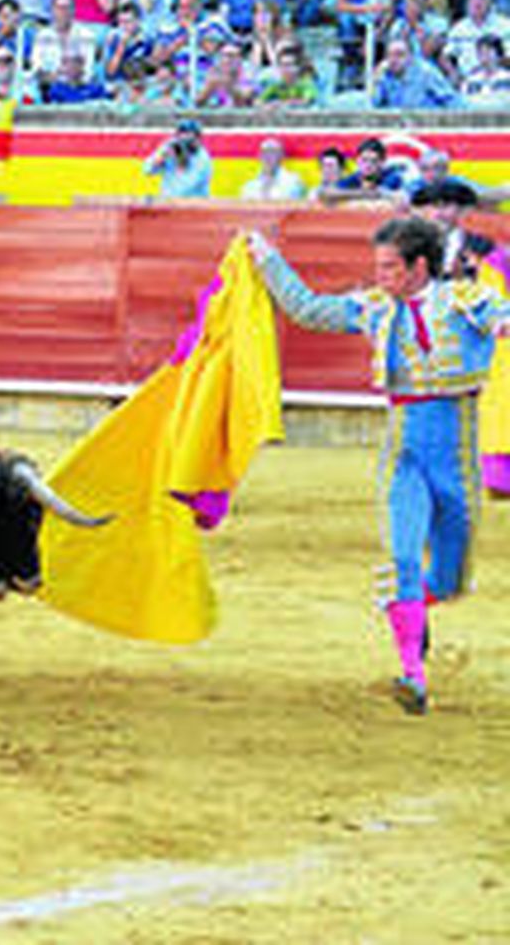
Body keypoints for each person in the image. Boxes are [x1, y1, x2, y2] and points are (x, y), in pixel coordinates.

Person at [248, 219, 510, 715]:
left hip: (457, 457)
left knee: (451, 579)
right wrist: (267, 260)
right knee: (404, 560)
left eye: (390, 266)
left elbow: (503, 314)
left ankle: (412, 610)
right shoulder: (375, 308)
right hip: (403, 455)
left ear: (420, 266)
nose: (380, 275)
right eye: (379, 266)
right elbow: (308, 309)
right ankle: (413, 674)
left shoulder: (465, 300)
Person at [142, 119, 212, 198]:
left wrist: (181, 160)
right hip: (168, 203)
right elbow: (147, 169)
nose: (184, 140)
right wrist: (161, 158)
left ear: (198, 138)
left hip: (194, 203)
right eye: (181, 136)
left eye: (190, 138)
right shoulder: (170, 146)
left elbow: (187, 188)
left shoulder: (202, 158)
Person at [239, 138, 306, 201]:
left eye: (273, 153)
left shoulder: (294, 181)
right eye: (265, 153)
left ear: (281, 156)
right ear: (260, 156)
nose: (268, 157)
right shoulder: (250, 186)